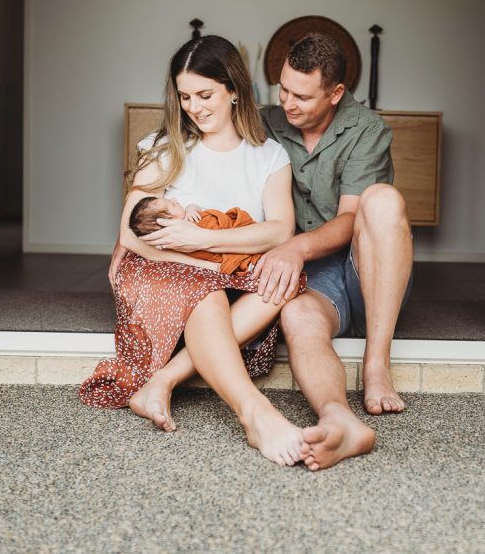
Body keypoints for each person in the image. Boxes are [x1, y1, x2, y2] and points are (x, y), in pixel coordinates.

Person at [80, 35, 309, 467]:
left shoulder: (268, 156)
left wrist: (204, 240)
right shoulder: (167, 148)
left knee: (285, 279)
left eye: (205, 95)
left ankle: (162, 380)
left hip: (222, 268)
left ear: (234, 91)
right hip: (161, 267)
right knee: (205, 288)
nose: (195, 107)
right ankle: (254, 413)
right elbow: (131, 236)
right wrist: (194, 258)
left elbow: (280, 230)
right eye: (185, 97)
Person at [254, 32, 414, 471]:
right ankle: (338, 418)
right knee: (296, 315)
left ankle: (376, 364)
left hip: (370, 267)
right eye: (283, 89)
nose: (288, 103)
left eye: (302, 96)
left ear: (336, 93)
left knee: (382, 200)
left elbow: (349, 221)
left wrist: (294, 248)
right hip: (317, 280)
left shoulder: (367, 129)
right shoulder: (265, 122)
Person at [128, 196, 264, 274]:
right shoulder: (174, 245)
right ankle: (249, 261)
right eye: (171, 205)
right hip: (226, 248)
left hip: (233, 230)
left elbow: (195, 205)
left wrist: (190, 210)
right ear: (168, 224)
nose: (174, 199)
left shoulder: (190, 217)